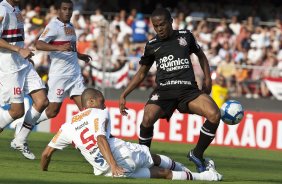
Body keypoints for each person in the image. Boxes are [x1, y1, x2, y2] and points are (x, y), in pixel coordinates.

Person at [119, 8, 221, 173]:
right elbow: (142, 73)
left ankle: (197, 153)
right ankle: (143, 158)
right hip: (164, 91)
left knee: (215, 114)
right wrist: (124, 94)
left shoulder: (185, 36)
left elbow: (201, 56)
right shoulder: (152, 45)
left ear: (170, 21)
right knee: (147, 118)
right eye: (155, 26)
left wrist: (208, 79)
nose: (159, 29)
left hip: (188, 90)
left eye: (162, 25)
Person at [41, 88, 222, 181]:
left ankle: (205, 177)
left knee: (163, 173)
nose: (104, 105)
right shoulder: (98, 112)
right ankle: (199, 172)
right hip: (121, 158)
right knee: (152, 156)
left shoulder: (67, 126)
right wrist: (113, 164)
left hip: (111, 173)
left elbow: (46, 154)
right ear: (90, 102)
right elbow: (100, 138)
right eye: (101, 101)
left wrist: (44, 173)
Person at [12, 0, 92, 159]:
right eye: (64, 9)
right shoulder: (54, 26)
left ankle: (84, 143)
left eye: (70, 9)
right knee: (52, 111)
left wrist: (79, 55)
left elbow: (69, 47)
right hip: (59, 76)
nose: (67, 12)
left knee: (86, 110)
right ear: (58, 11)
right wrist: (58, 48)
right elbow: (39, 44)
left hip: (75, 74)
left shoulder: (70, 26)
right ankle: (25, 126)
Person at [0, 0, 49, 160]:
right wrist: (18, 49)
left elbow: (15, 38)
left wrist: (23, 53)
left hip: (22, 62)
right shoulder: (2, 9)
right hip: (9, 65)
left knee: (42, 101)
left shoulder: (17, 8)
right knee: (17, 111)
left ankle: (19, 140)